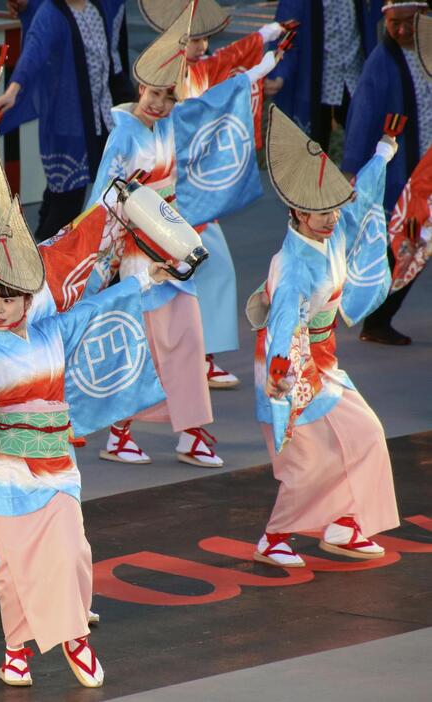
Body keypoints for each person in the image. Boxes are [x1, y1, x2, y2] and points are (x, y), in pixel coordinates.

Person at [0, 193, 171, 687]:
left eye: (8, 299)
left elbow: (104, 303)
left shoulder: (54, 331)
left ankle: (75, 638)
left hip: (57, 467)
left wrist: (146, 278)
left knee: (73, 551)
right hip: (6, 472)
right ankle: (15, 650)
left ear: (28, 298)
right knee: (13, 570)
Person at [87, 3, 281, 467]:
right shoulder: (124, 135)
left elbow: (209, 104)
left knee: (184, 337)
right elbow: (104, 197)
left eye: (168, 97)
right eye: (153, 93)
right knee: (151, 341)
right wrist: (104, 258)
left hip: (172, 245)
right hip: (139, 250)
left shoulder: (170, 123)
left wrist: (255, 70)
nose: (159, 104)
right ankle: (123, 431)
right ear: (140, 87)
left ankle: (187, 431)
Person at [247, 105, 400, 568]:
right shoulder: (293, 267)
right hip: (290, 362)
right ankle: (275, 537)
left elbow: (361, 199)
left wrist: (382, 155)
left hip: (321, 358)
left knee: (364, 434)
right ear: (297, 210)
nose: (333, 218)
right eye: (321, 212)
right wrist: (281, 374)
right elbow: (282, 328)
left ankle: (343, 523)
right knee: (310, 459)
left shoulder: (327, 229)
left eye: (333, 209)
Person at [138, 0, 286, 389]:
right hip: (164, 192)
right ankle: (177, 360)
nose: (203, 46)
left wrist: (265, 38)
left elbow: (227, 62)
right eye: (195, 39)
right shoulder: (161, 77)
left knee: (206, 272)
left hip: (189, 191)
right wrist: (261, 64)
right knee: (177, 278)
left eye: (205, 38)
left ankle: (197, 358)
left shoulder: (198, 72)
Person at [0, 0, 132, 241]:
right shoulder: (50, 13)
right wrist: (13, 90)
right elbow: (33, 51)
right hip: (69, 126)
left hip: (103, 120)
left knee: (107, 196)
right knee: (66, 204)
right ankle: (39, 264)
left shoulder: (98, 5)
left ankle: (104, 267)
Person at [343, 0, 432, 345]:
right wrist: (352, 168)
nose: (400, 30)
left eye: (408, 22)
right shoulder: (381, 63)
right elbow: (363, 118)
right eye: (394, 23)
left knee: (414, 244)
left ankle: (377, 318)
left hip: (423, 169)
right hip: (402, 174)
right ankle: (377, 321)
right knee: (408, 245)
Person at [265, 0, 383, 150]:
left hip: (355, 77)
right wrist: (280, 71)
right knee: (312, 149)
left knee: (366, 147)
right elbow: (288, 30)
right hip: (317, 83)